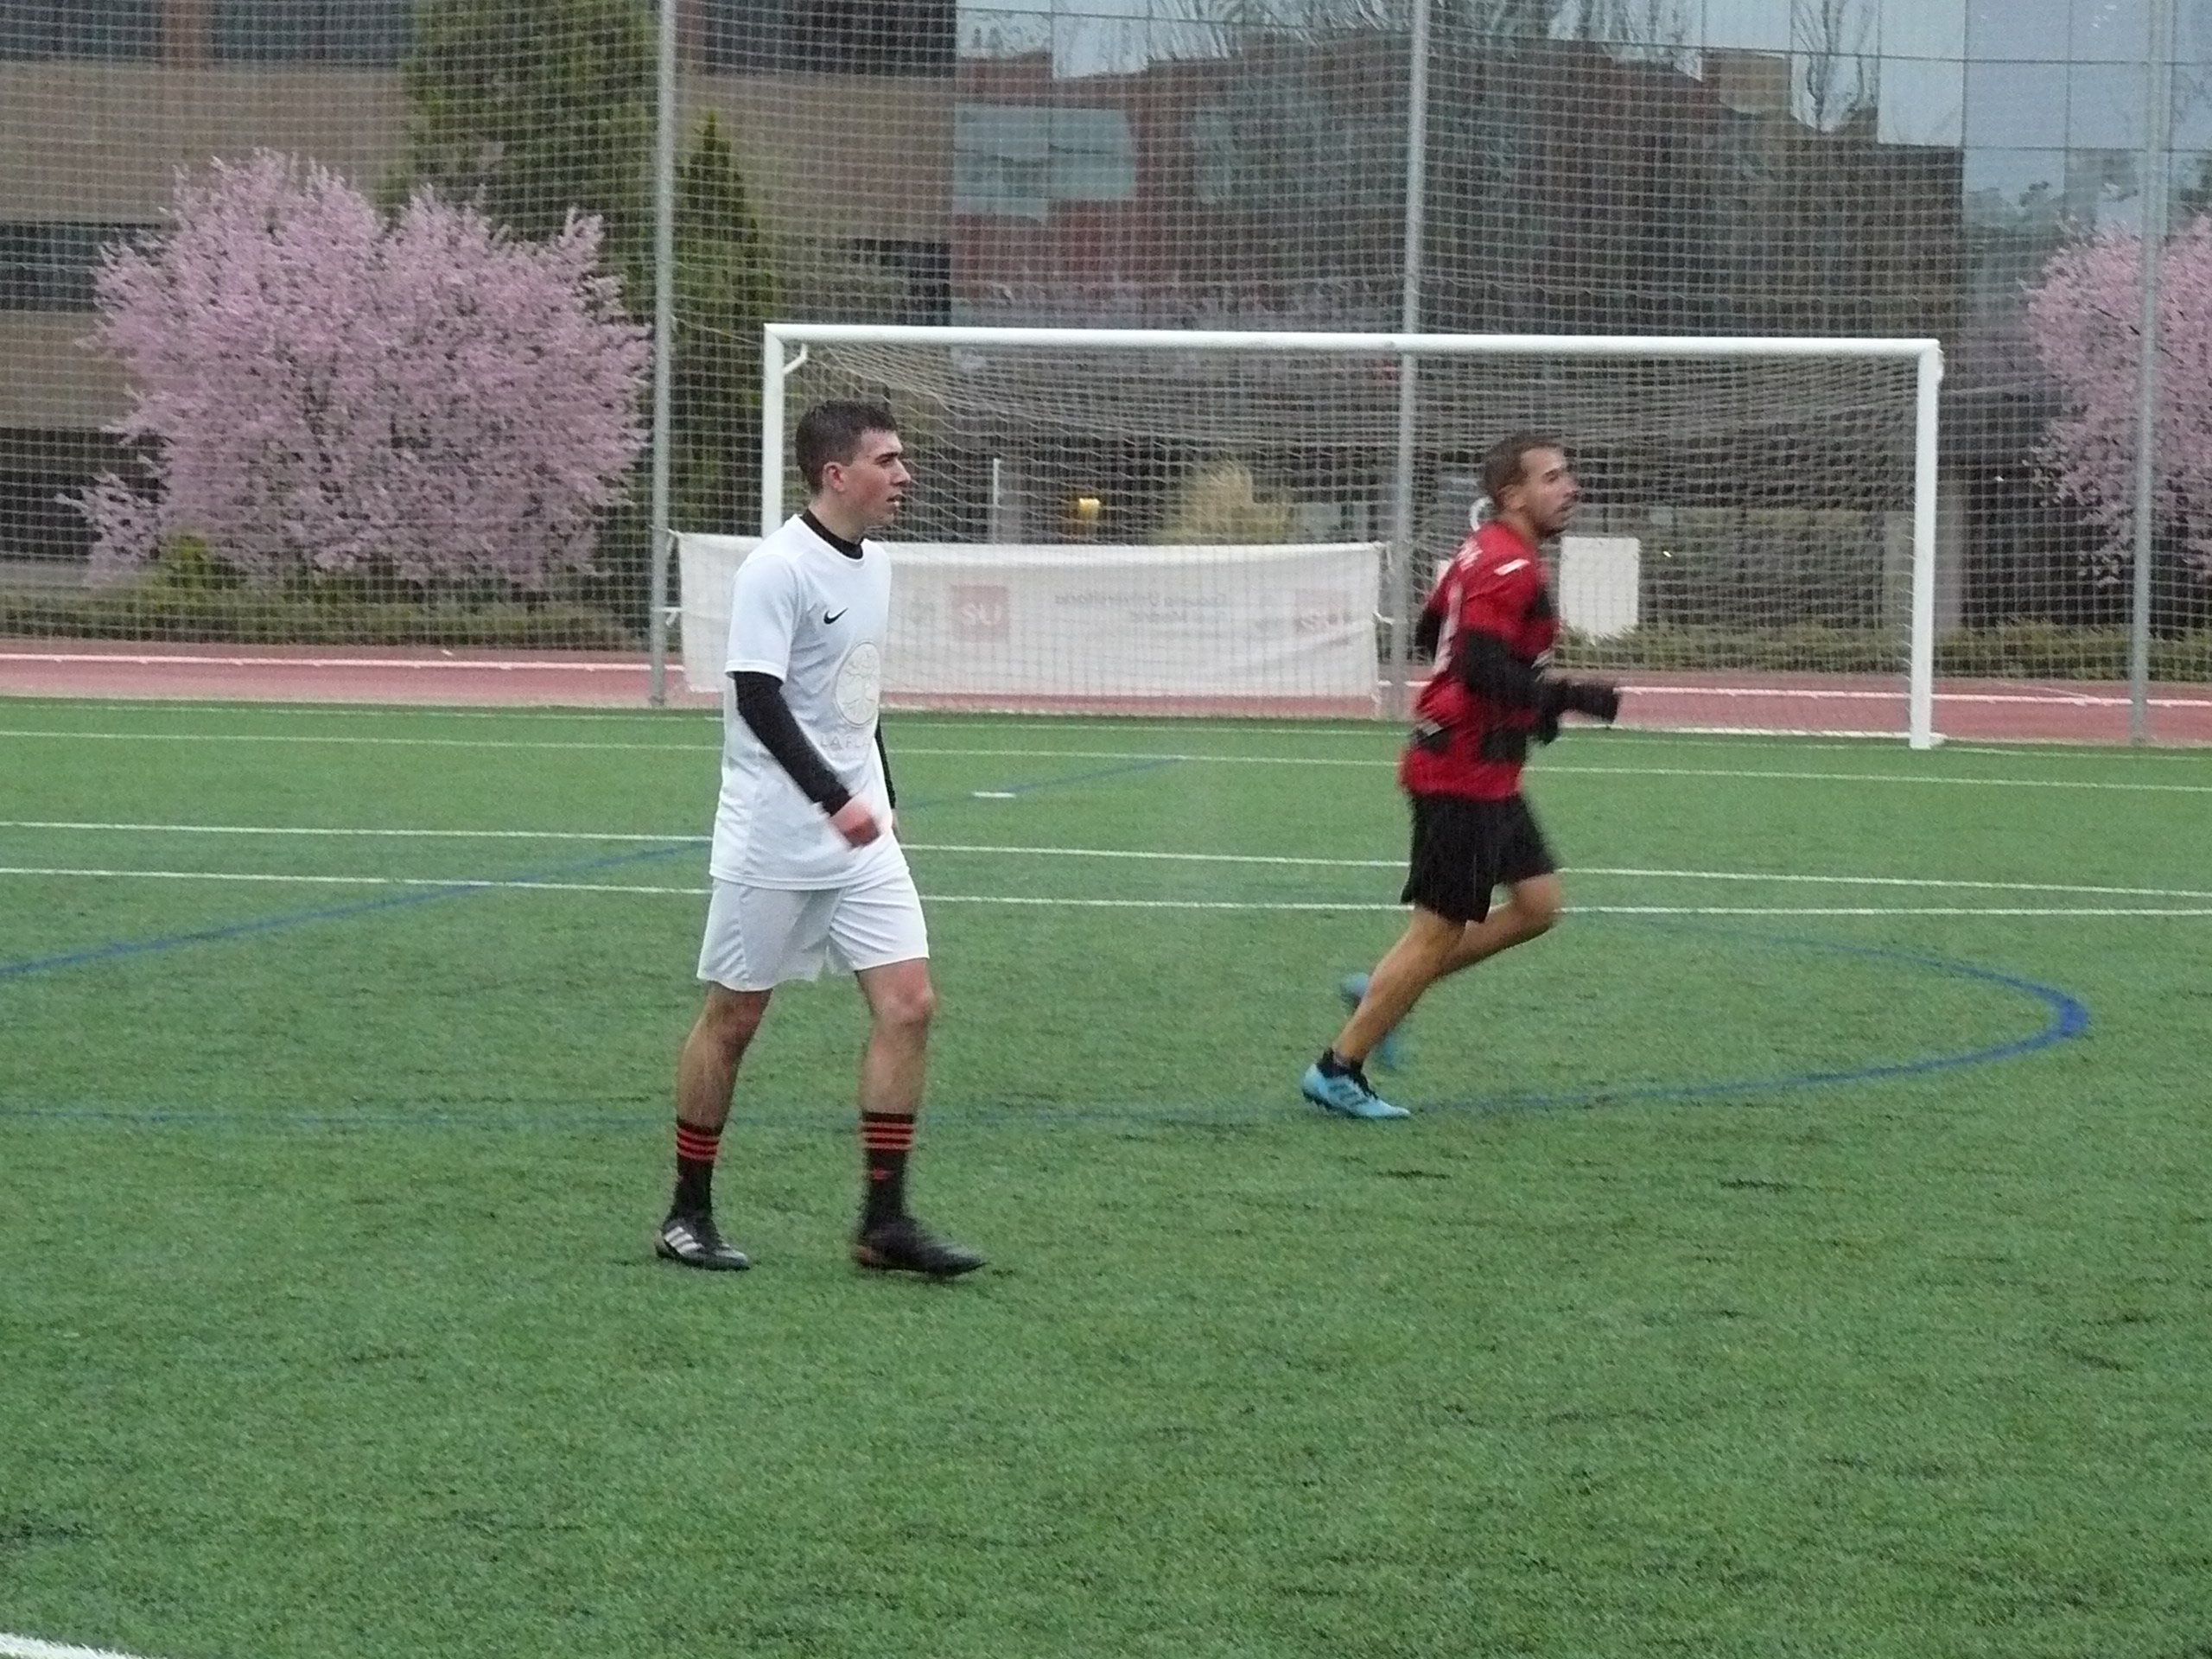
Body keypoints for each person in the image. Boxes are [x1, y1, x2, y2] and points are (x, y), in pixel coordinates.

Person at [657, 398, 982, 1276]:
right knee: (735, 1018)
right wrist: (833, 799)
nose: (904, 475)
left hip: (859, 835)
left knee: (910, 1004)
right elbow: (758, 699)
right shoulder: (776, 570)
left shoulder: (877, 564)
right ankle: (687, 1214)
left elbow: (856, 695)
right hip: (776, 833)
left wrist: (881, 794)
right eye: (888, 460)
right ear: (837, 474)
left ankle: (884, 1223)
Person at [1300, 433, 1622, 1121]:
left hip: (1487, 767)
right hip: (1460, 772)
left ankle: (1381, 988)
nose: (1571, 488)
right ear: (1513, 495)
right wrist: (1565, 696)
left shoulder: (1481, 550)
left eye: (1568, 475)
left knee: (1537, 905)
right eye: (1553, 477)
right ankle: (1338, 1068)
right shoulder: (1508, 564)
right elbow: (1477, 666)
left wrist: (1524, 708)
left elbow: (1431, 633)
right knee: (1438, 929)